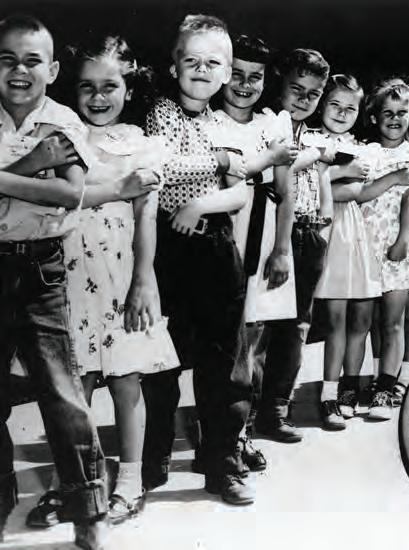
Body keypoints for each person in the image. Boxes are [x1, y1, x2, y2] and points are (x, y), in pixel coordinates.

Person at [26, 34, 179, 528]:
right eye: (87, 86)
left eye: (109, 86)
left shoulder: (140, 144)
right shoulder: (59, 137)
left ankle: (130, 481)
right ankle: (70, 483)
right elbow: (53, 201)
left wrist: (144, 281)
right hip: (66, 275)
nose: (97, 97)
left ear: (129, 89)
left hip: (120, 277)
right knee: (74, 386)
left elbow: (146, 217)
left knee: (126, 379)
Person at [0, 14, 107, 549]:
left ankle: (87, 509)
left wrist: (9, 176)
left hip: (42, 268)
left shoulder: (62, 119)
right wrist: (32, 164)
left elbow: (70, 194)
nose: (19, 71)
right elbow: (45, 184)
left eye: (32, 60)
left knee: (62, 393)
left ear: (54, 69)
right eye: (7, 59)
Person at [144, 14, 253, 505]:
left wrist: (198, 205)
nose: (202, 70)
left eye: (213, 63)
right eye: (192, 60)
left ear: (227, 73)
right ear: (174, 67)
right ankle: (152, 462)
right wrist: (222, 162)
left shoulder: (224, 124)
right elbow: (166, 164)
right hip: (170, 248)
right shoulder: (161, 113)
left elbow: (239, 193)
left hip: (216, 246)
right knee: (161, 359)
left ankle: (222, 462)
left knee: (224, 362)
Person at [212, 34, 297, 468]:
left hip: (263, 237)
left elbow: (285, 191)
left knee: (255, 341)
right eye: (237, 74)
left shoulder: (272, 125)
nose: (245, 85)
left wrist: (282, 249)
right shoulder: (209, 122)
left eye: (255, 77)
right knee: (223, 343)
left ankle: (242, 433)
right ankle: (216, 436)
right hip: (223, 236)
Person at [252, 48, 333, 443]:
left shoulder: (311, 133)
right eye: (297, 89)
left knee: (297, 326)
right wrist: (315, 156)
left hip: (308, 233)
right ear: (279, 85)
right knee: (258, 327)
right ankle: (245, 415)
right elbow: (267, 171)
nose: (304, 99)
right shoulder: (265, 123)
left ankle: (276, 411)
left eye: (314, 93)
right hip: (271, 235)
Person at [360, 81, 409, 421]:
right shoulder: (367, 152)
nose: (394, 119)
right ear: (374, 117)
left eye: (402, 113)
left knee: (393, 320)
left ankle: (387, 389)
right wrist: (392, 177)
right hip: (368, 241)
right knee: (374, 320)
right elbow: (360, 195)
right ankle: (379, 375)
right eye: (387, 113)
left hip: (399, 242)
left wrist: (404, 240)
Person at [312, 74, 381, 429]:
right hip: (328, 233)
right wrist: (343, 172)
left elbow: (356, 191)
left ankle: (349, 390)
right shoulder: (311, 142)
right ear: (322, 105)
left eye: (350, 108)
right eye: (335, 105)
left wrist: (334, 178)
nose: (341, 113)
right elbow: (311, 190)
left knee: (361, 319)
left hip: (355, 233)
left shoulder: (362, 147)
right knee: (335, 320)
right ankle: (327, 395)